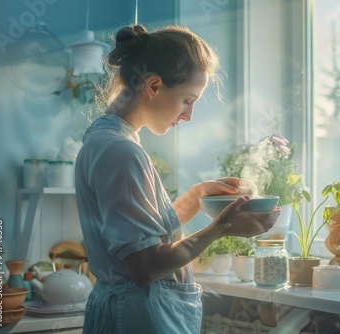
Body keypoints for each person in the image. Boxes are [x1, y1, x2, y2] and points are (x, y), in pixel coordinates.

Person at [74, 24, 280, 334]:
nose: (188, 116)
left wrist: (196, 196)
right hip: (140, 317)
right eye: (187, 100)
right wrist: (222, 227)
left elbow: (146, 237)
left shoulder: (109, 140)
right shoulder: (121, 152)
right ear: (154, 86)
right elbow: (145, 268)